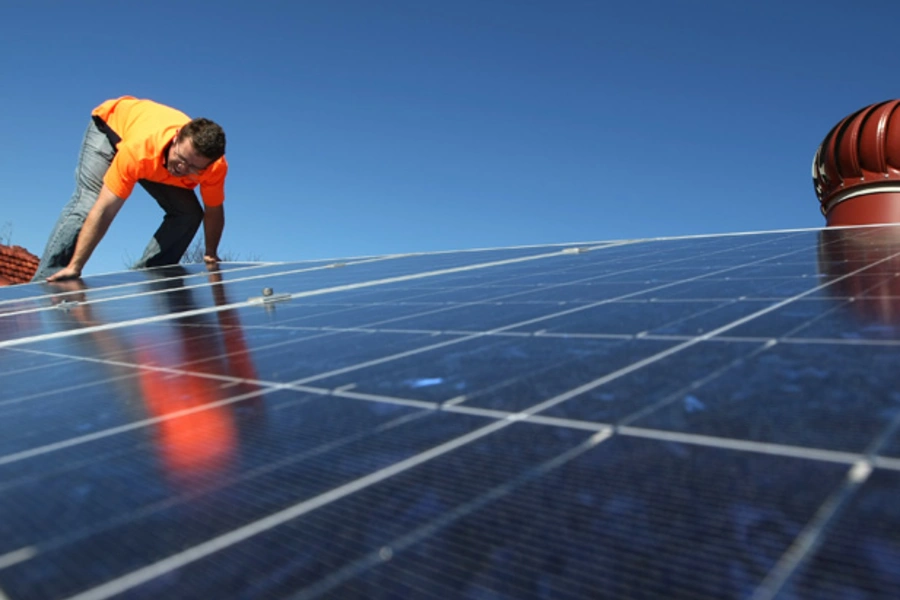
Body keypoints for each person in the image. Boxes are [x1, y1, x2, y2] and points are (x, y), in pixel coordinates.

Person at [32, 96, 228, 282]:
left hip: (153, 160)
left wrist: (211, 251)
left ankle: (150, 276)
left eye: (194, 168)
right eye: (182, 159)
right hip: (110, 128)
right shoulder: (139, 151)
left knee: (189, 214)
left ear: (208, 165)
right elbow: (105, 209)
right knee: (88, 202)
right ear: (176, 139)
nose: (182, 169)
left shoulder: (215, 169)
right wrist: (76, 266)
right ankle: (47, 279)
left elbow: (214, 210)